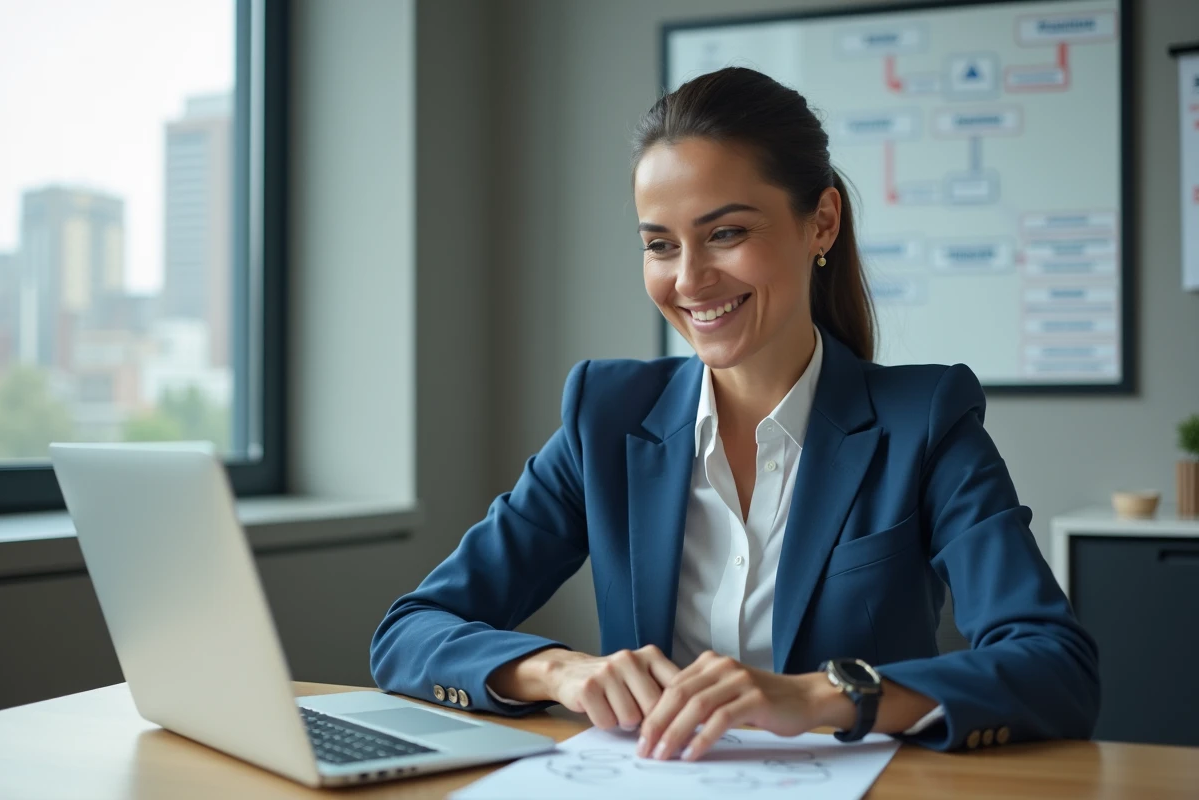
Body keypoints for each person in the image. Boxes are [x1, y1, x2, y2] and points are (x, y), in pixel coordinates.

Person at [370, 66, 1099, 760]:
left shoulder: (925, 422)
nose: (689, 279)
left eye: (726, 233)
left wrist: (821, 696)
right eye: (660, 245)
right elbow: (409, 633)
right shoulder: (606, 418)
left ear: (821, 223)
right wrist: (560, 672)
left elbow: (1054, 666)